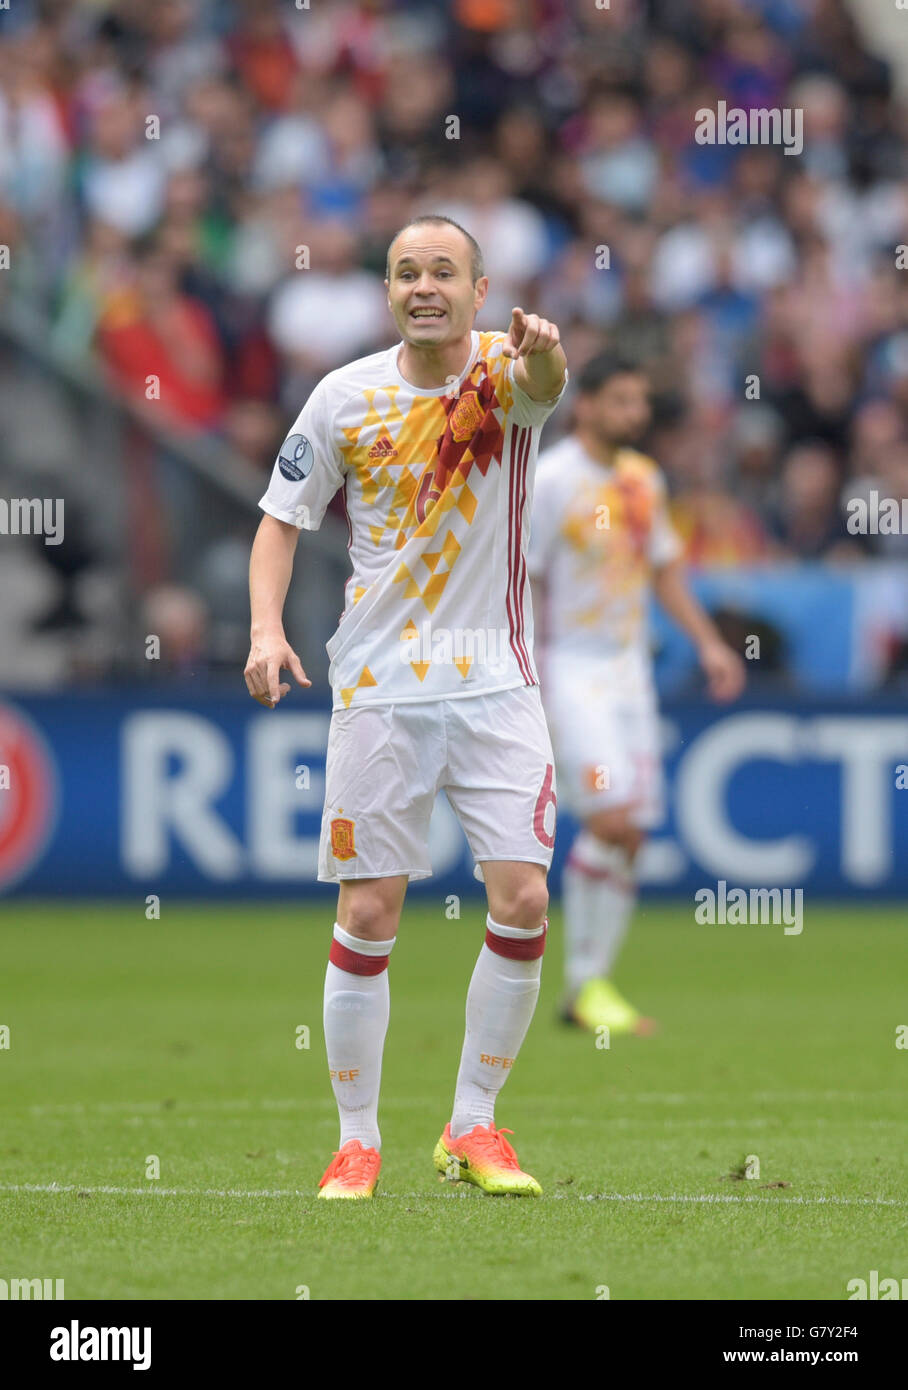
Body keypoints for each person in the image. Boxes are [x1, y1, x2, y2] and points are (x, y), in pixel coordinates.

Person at [245, 215, 567, 1198]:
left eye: (442, 272)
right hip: (382, 683)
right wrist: (265, 630)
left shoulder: (506, 380)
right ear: (388, 290)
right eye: (404, 272)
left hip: (496, 680)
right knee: (370, 908)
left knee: (521, 898)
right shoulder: (344, 396)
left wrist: (547, 357)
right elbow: (278, 521)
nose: (422, 286)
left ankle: (472, 1124)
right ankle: (356, 1140)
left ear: (478, 290)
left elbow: (545, 389)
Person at [529, 351, 745, 1036]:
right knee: (613, 819)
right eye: (621, 401)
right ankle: (584, 984)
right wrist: (525, 669)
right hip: (570, 670)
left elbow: (666, 571)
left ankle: (587, 988)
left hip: (629, 674)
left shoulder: (642, 479)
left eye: (640, 402)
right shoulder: (552, 480)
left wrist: (709, 643)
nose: (635, 414)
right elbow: (525, 580)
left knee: (634, 834)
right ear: (585, 404)